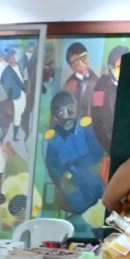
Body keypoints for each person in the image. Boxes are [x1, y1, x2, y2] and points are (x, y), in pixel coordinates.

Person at [41, 90, 105, 226]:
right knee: (81, 209)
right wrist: (63, 182)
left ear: (75, 108)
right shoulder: (50, 138)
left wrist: (98, 164)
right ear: (55, 115)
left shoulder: (86, 125)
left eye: (70, 109)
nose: (66, 116)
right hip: (71, 177)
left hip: (93, 171)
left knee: (103, 204)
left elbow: (98, 147)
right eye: (60, 112)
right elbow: (52, 166)